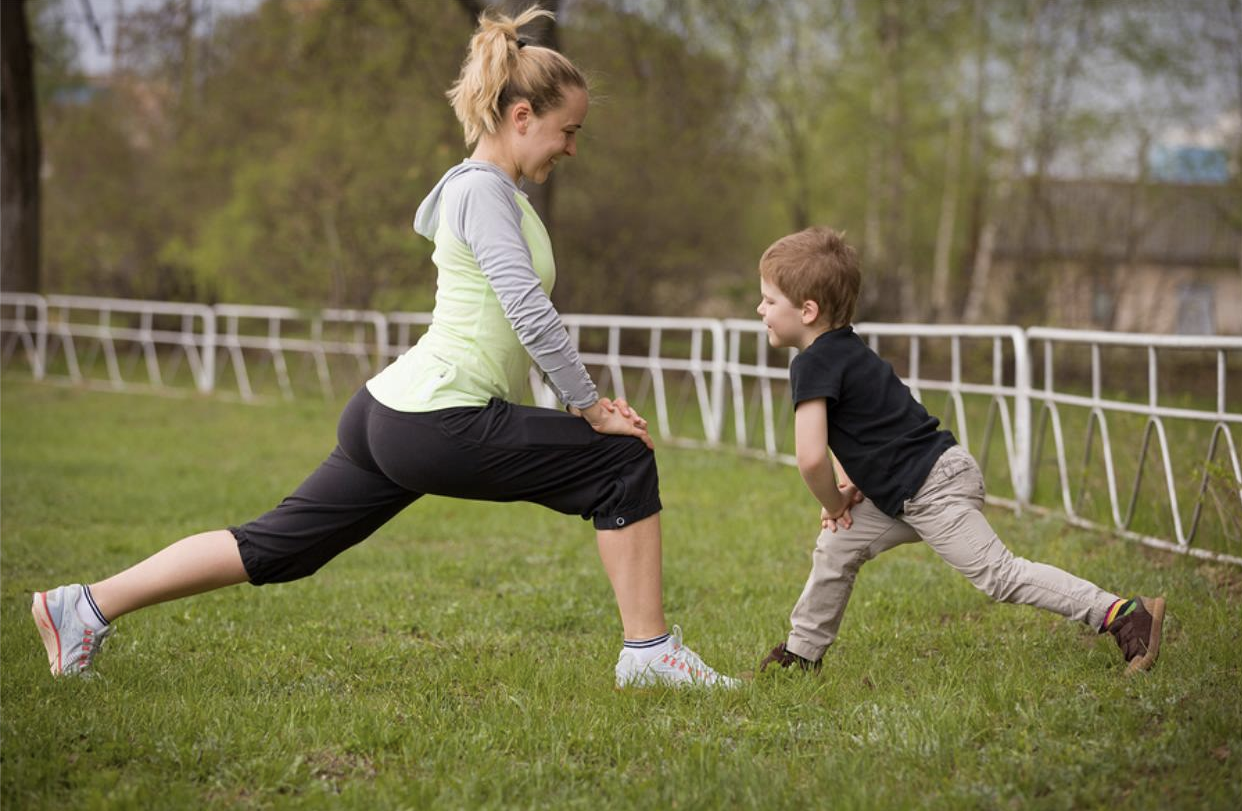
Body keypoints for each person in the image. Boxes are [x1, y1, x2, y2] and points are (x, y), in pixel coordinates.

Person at [31, 6, 737, 690]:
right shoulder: (484, 193)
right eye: (568, 131)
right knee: (620, 460)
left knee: (276, 547)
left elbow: (510, 314)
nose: (572, 148)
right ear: (522, 118)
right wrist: (588, 408)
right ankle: (648, 654)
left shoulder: (490, 192)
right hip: (437, 419)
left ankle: (83, 606)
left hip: (392, 413)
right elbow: (528, 310)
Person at [752, 227, 1164, 677]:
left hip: (932, 487)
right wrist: (850, 485)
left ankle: (1122, 613)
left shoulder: (812, 363)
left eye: (770, 301)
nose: (761, 309)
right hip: (910, 485)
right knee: (837, 547)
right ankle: (803, 653)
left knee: (998, 574)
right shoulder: (845, 348)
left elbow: (810, 456)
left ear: (807, 310)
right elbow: (854, 430)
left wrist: (833, 503)